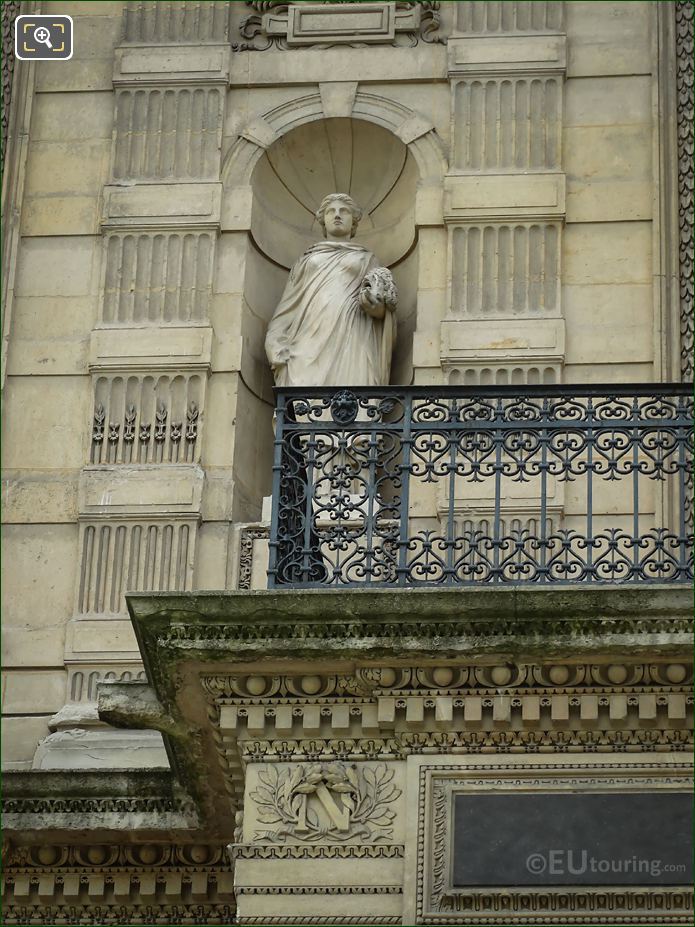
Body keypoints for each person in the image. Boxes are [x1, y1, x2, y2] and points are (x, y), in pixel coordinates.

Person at [265, 193, 397, 387]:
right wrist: (274, 340)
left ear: (353, 221)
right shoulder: (307, 259)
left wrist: (377, 308)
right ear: (323, 220)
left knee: (352, 389)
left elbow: (381, 306)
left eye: (343, 211)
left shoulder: (367, 259)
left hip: (353, 331)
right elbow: (289, 303)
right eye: (330, 211)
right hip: (310, 332)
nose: (337, 215)